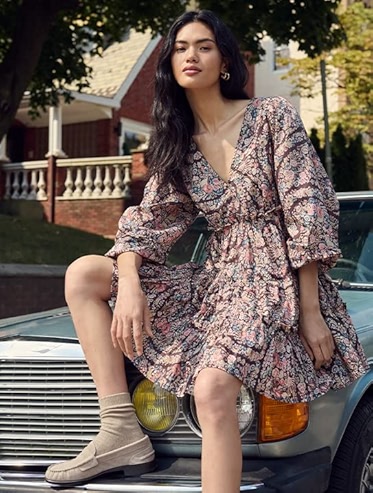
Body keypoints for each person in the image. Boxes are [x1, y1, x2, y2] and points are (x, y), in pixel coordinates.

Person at [45, 9, 369, 493]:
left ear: (224, 62)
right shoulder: (178, 145)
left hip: (274, 279)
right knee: (86, 273)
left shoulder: (271, 117)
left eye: (203, 46)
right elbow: (147, 225)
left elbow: (309, 208)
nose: (190, 55)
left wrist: (310, 308)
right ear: (170, 66)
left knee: (213, 388)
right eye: (180, 48)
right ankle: (118, 428)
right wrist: (129, 282)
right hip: (219, 278)